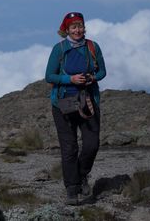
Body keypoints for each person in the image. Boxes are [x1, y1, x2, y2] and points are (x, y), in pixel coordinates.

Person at [45, 12, 106, 205]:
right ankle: (72, 190)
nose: (77, 30)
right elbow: (49, 76)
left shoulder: (92, 47)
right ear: (66, 30)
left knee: (91, 144)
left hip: (88, 101)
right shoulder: (59, 49)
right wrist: (69, 79)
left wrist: (92, 78)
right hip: (63, 104)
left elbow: (102, 71)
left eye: (80, 26)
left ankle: (81, 175)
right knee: (69, 147)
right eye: (73, 27)